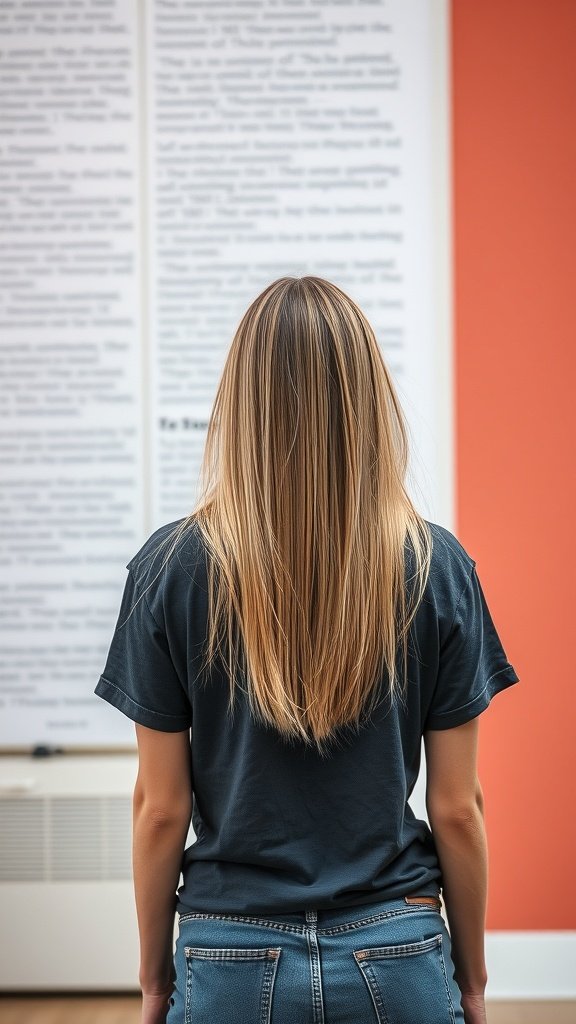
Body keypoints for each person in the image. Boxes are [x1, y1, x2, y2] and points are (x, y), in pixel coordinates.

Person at [94, 276, 520, 1024]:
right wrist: (473, 979)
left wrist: (155, 978)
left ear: (240, 406)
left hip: (227, 954)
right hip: (397, 948)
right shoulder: (437, 566)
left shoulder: (169, 568)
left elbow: (160, 810)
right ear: (369, 404)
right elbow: (458, 809)